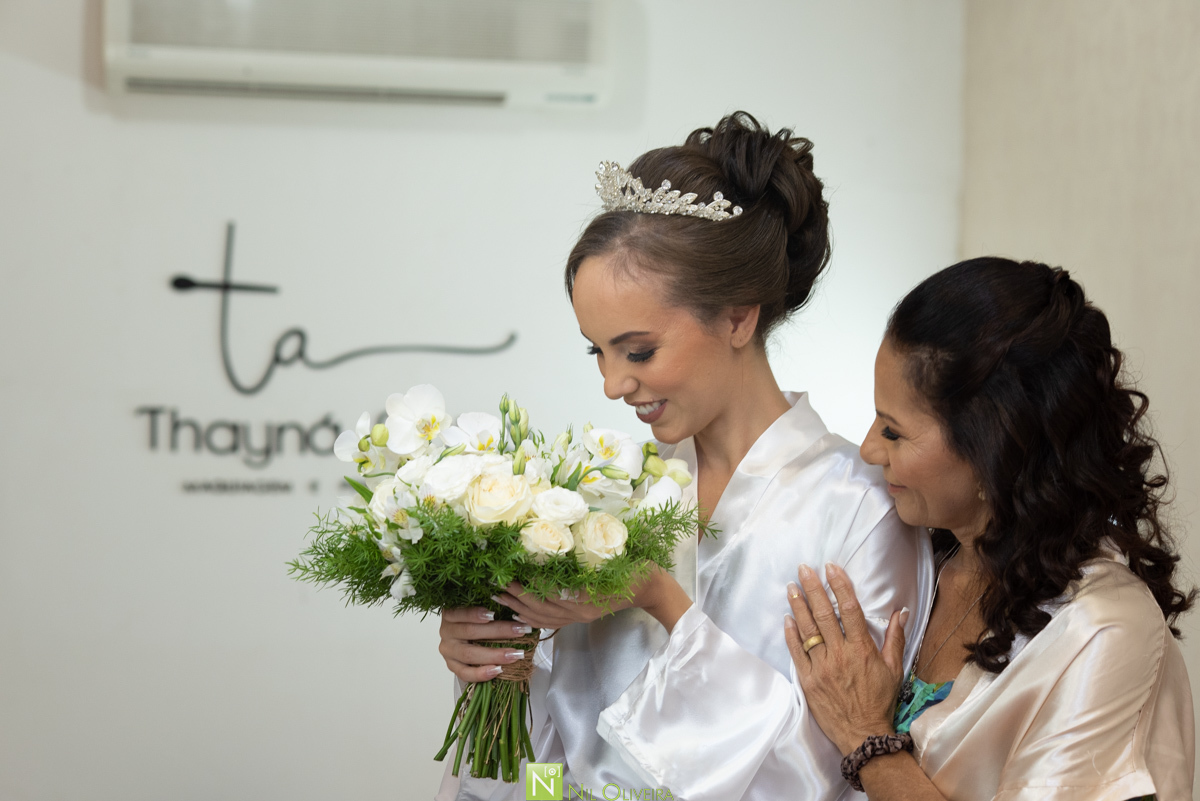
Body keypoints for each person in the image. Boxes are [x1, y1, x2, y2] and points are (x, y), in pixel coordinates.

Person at [435, 112, 933, 800]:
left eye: (637, 350)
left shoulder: (860, 511)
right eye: (597, 350)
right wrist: (501, 660)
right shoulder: (607, 495)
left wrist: (659, 597)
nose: (612, 385)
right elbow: (558, 746)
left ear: (737, 316)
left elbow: (834, 768)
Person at [784, 258, 1195, 800]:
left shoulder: (1103, 631)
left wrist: (867, 737)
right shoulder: (923, 553)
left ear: (991, 449)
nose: (868, 449)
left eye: (894, 431)